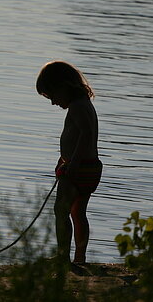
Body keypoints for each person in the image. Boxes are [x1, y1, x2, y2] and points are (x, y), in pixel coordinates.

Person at [36, 61, 101, 265]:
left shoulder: (77, 107)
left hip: (79, 168)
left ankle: (63, 256)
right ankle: (79, 258)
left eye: (52, 96)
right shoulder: (84, 105)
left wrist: (72, 163)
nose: (53, 102)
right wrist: (64, 158)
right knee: (77, 213)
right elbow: (80, 138)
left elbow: (85, 135)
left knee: (60, 210)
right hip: (90, 167)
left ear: (64, 86)